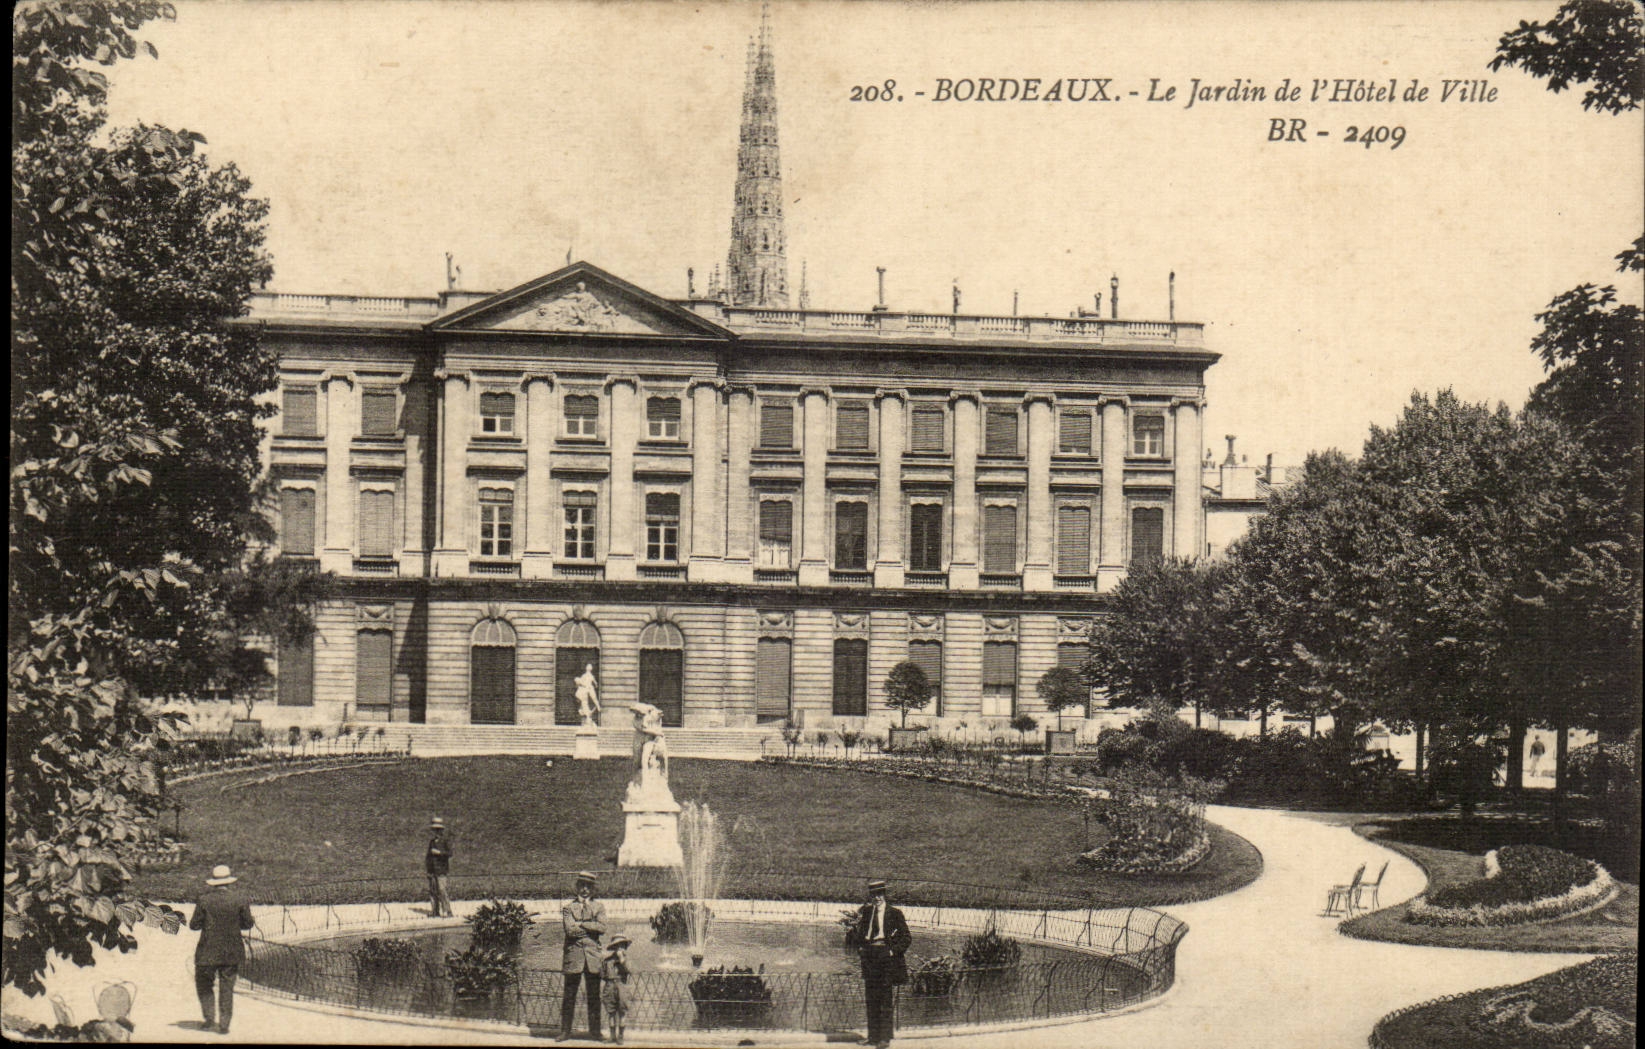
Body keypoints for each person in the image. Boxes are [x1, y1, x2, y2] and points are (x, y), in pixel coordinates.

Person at [189, 864, 255, 1036]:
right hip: (231, 950)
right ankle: (224, 1024)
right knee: (227, 987)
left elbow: (194, 925)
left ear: (213, 883)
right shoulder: (240, 899)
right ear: (229, 882)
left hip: (207, 950)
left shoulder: (204, 900)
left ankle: (209, 1019)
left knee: (204, 984)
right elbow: (247, 924)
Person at [849, 878, 912, 1049]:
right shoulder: (868, 912)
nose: (876, 898)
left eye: (879, 894)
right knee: (871, 998)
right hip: (870, 956)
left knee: (885, 999)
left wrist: (892, 952)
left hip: (886, 956)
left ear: (884, 895)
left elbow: (906, 937)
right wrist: (861, 948)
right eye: (873, 895)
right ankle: (872, 1037)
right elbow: (862, 934)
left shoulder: (895, 913)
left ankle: (884, 1039)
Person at [559, 871, 607, 1041]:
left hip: (592, 958)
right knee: (569, 996)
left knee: (594, 997)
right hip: (574, 958)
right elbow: (570, 931)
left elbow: (602, 928)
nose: (585, 890)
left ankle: (595, 1032)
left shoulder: (599, 907)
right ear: (577, 888)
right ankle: (565, 1031)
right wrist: (590, 927)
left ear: (593, 890)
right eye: (582, 886)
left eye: (588, 887)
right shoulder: (568, 908)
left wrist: (581, 923)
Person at [600, 934, 633, 1045]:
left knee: (622, 1011)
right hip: (609, 986)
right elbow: (603, 974)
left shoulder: (626, 960)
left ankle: (620, 1036)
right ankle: (612, 1036)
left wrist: (622, 959)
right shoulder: (607, 960)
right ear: (613, 948)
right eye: (617, 946)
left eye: (622, 945)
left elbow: (629, 970)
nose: (620, 948)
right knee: (611, 1012)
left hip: (622, 986)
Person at [426, 817, 454, 918]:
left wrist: (439, 853)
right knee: (433, 891)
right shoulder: (432, 842)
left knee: (442, 890)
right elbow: (428, 857)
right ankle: (435, 911)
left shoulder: (445, 841)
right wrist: (428, 870)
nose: (436, 832)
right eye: (434, 830)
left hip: (442, 869)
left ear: (441, 830)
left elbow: (450, 853)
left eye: (438, 830)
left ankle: (447, 911)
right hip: (433, 870)